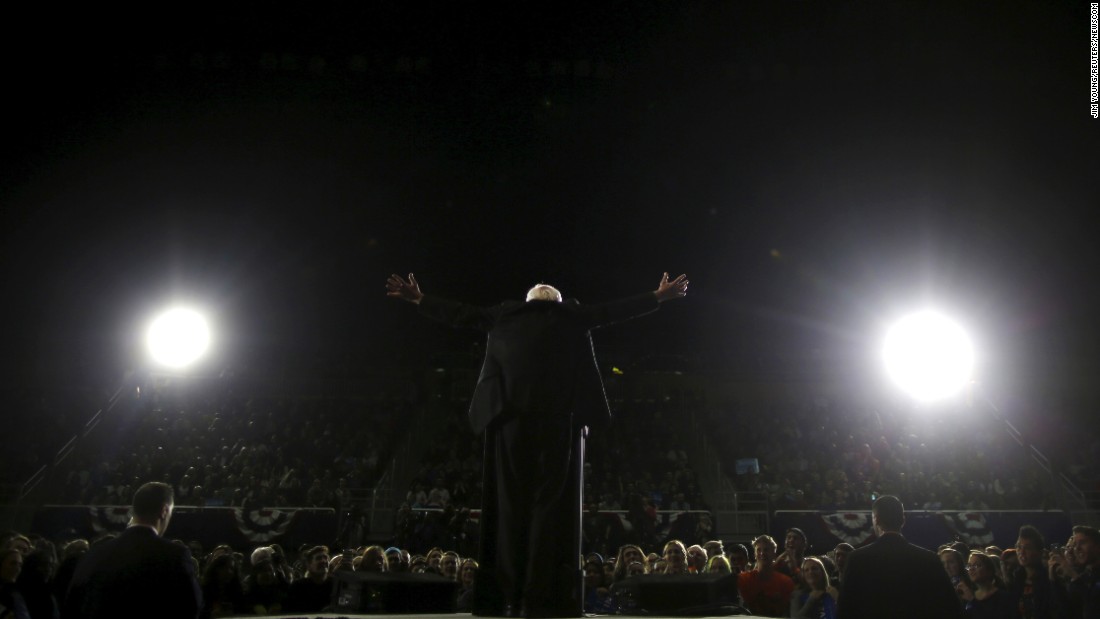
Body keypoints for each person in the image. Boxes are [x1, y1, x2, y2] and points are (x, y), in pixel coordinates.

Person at [386, 271, 688, 617]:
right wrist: (658, 296)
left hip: (511, 424)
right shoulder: (572, 316)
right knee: (548, 508)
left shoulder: (505, 314)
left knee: (512, 506)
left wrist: (419, 299)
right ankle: (537, 594)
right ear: (557, 302)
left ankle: (510, 594)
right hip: (556, 424)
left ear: (528, 301)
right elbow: (613, 311)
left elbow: (460, 313)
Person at [61, 482, 202, 619]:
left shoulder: (95, 553)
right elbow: (191, 607)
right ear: (164, 511)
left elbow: (72, 605)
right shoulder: (175, 555)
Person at [835, 495, 962, 619]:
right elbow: (950, 608)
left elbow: (845, 610)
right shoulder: (929, 559)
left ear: (876, 519)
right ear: (903, 520)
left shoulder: (857, 559)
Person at [737, 535, 794, 617]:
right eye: (759, 550)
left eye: (766, 550)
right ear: (755, 554)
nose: (762, 553)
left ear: (774, 553)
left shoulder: (785, 582)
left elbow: (787, 612)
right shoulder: (744, 579)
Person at [956, 551, 1015, 618]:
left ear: (989, 570)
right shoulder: (969, 594)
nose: (971, 569)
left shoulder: (1003, 597)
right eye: (969, 566)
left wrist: (972, 600)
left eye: (976, 565)